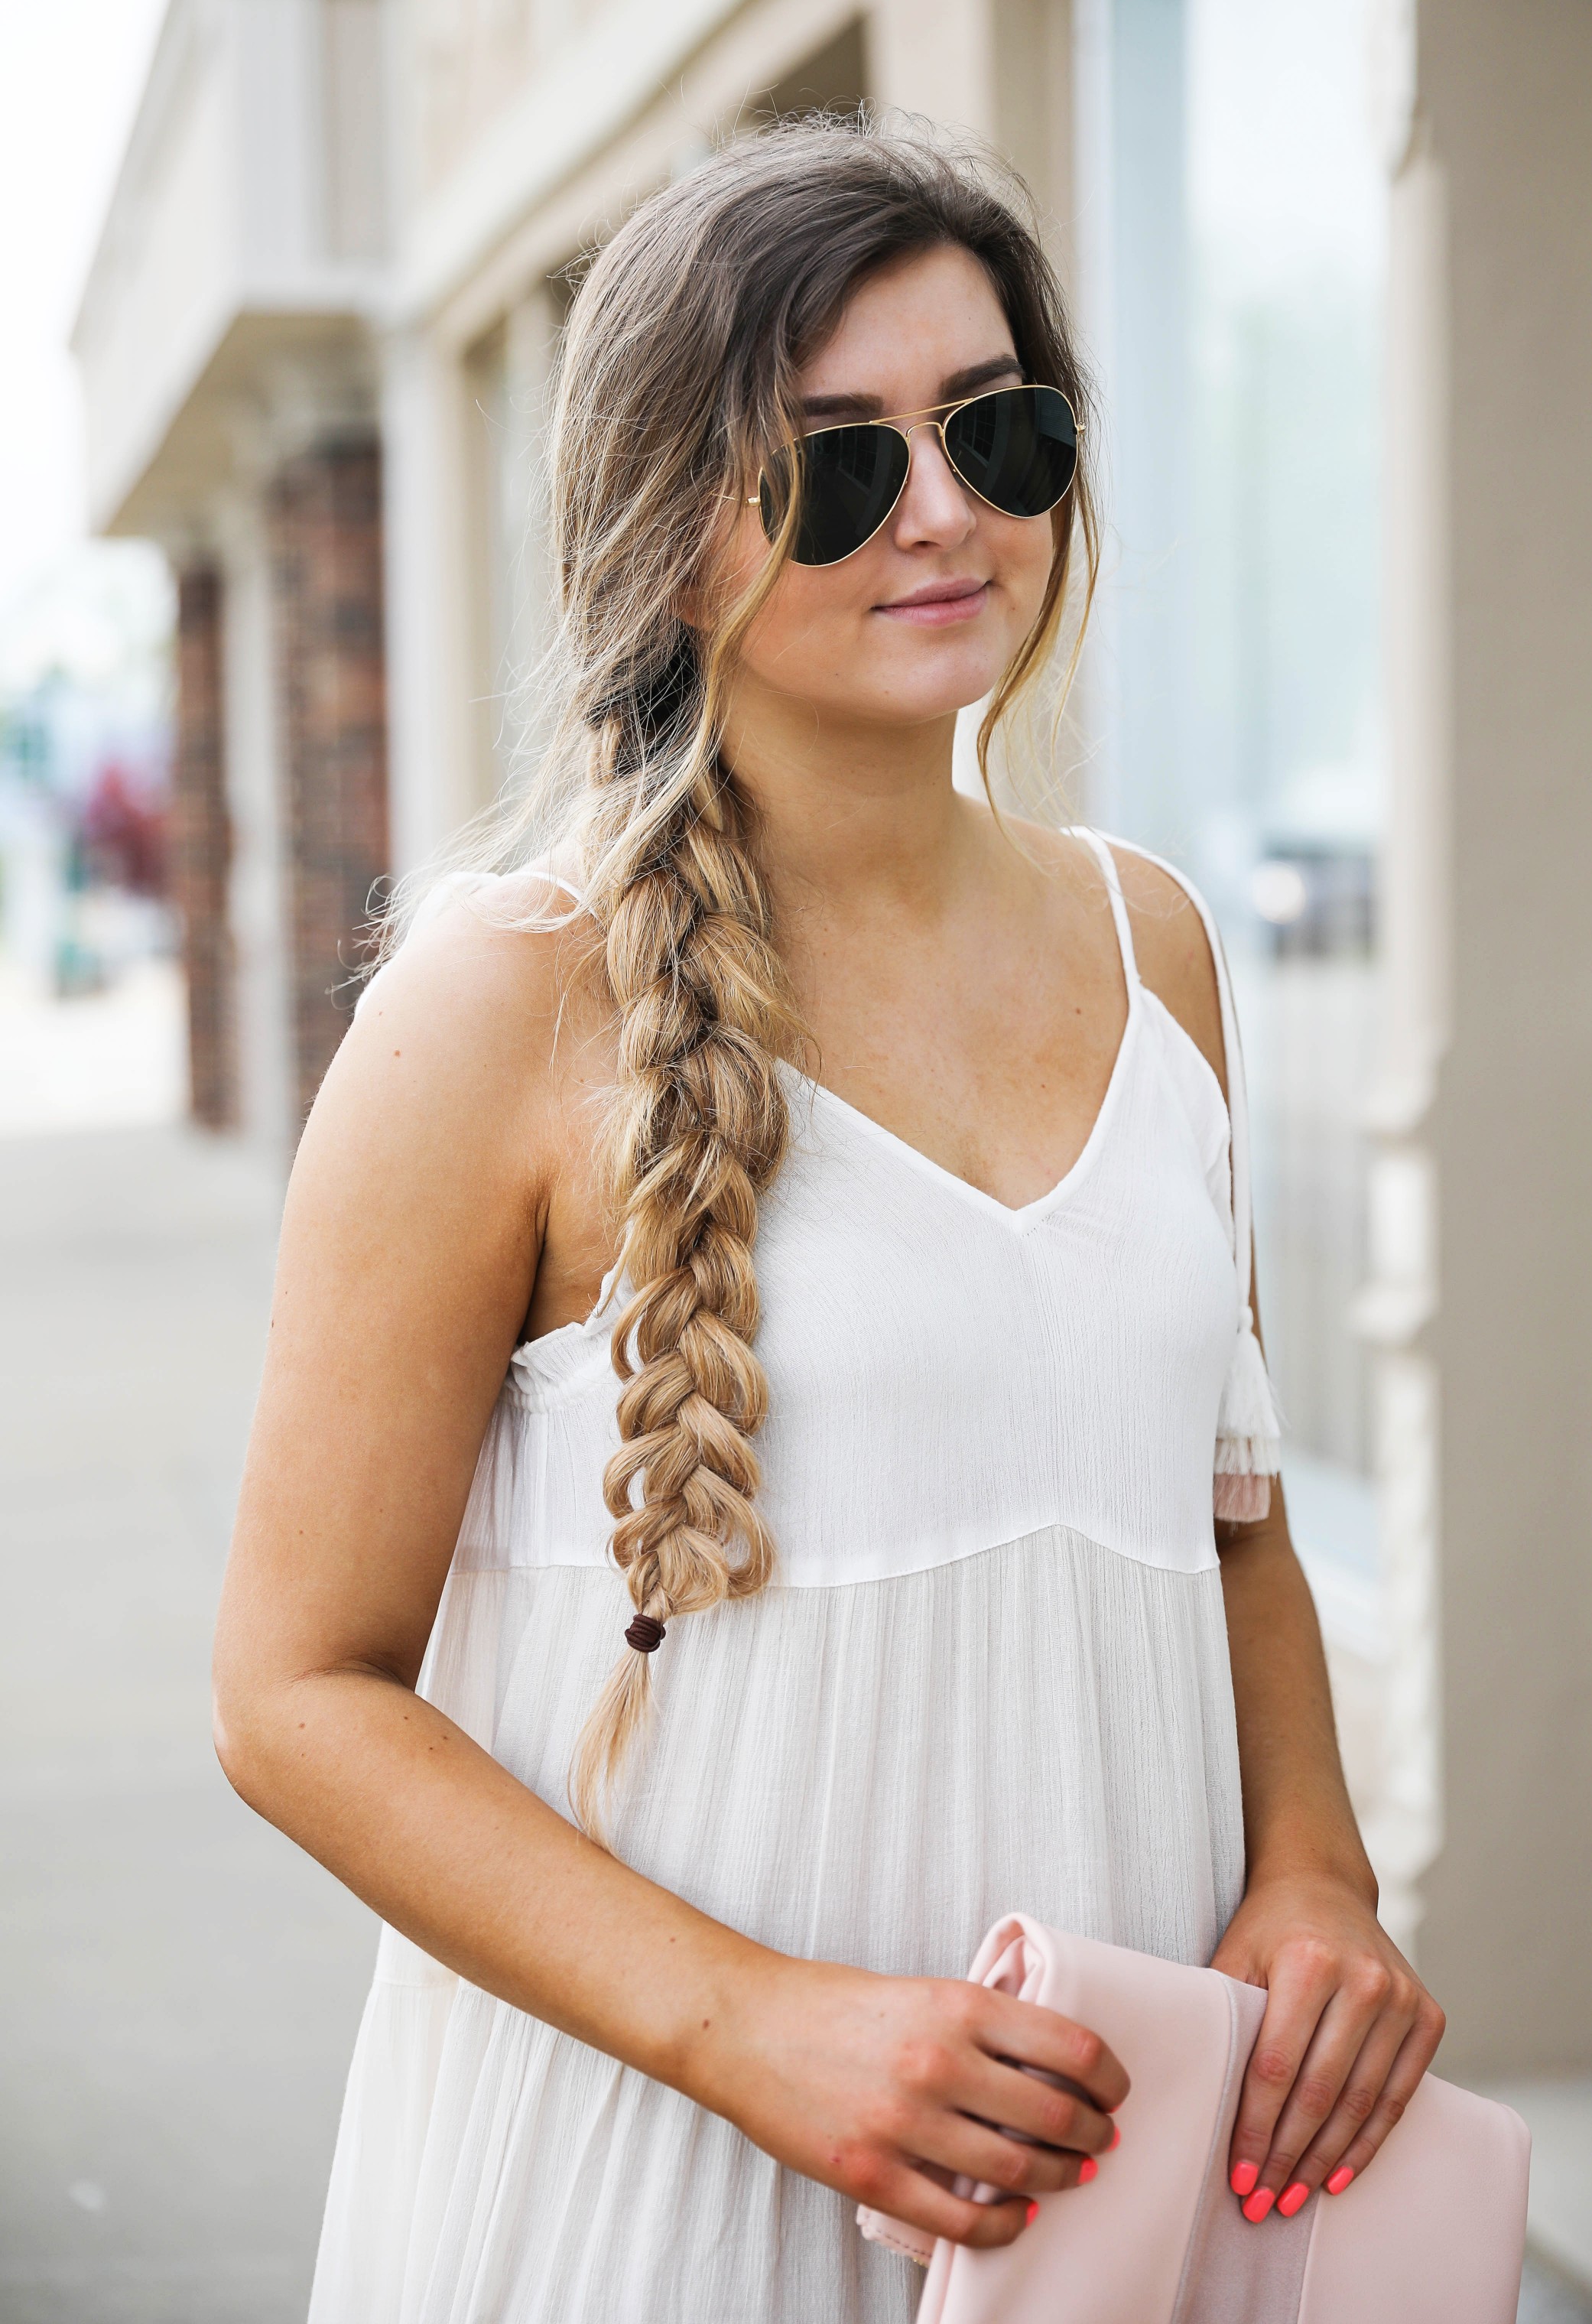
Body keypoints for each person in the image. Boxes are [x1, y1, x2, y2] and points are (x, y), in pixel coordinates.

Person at [212, 120, 1444, 2324]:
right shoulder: (501, 1006)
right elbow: (296, 1692)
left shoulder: (1152, 943)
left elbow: (1231, 1507)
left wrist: (1318, 1869)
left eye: (1000, 428)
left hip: (1113, 2187)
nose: (949, 509)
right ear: (668, 532)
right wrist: (755, 2028)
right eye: (840, 460)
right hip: (659, 2190)